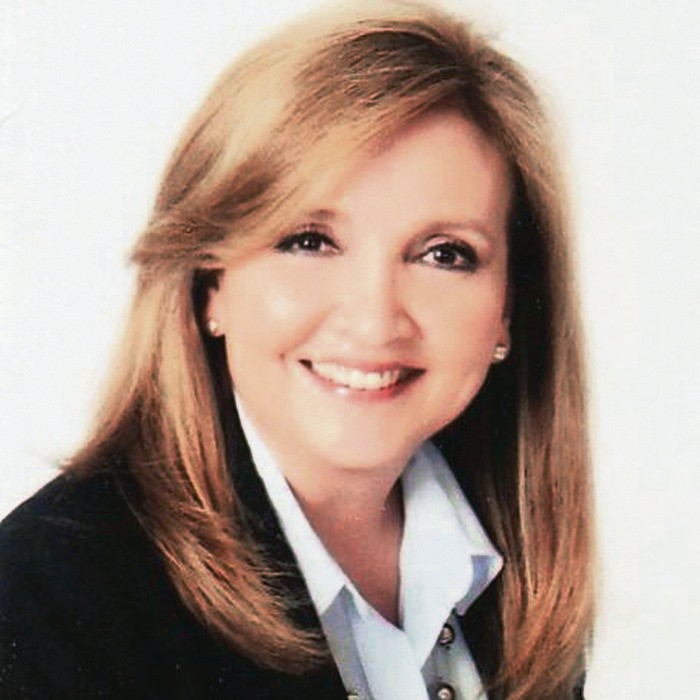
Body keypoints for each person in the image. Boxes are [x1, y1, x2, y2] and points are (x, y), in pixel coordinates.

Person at [0, 1, 594, 698]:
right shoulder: (48, 601)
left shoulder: (517, 575)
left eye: (444, 254)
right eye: (310, 241)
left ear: (509, 309)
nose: (374, 319)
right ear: (209, 284)